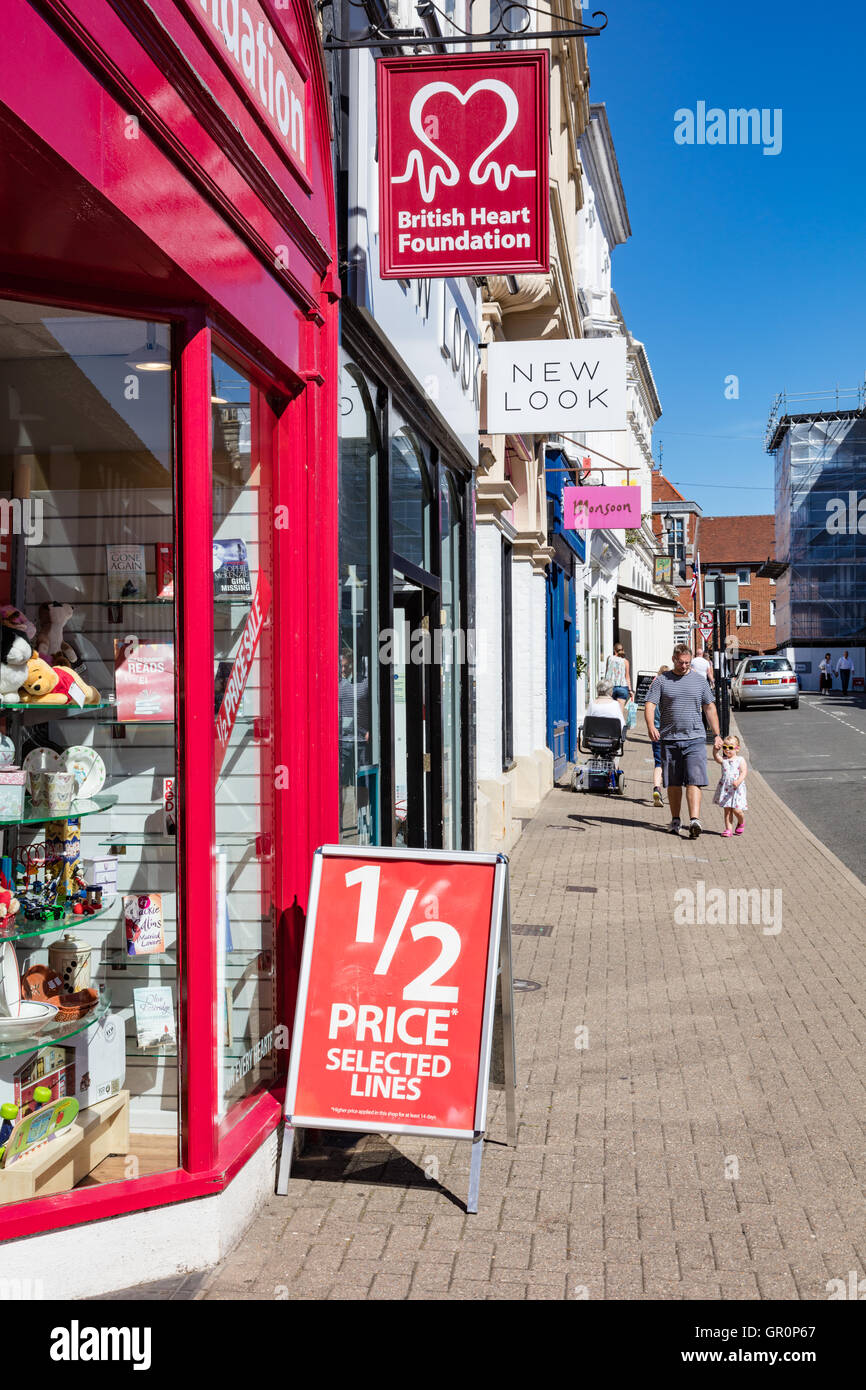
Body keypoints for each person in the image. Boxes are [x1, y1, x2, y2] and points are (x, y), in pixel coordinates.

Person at [644, 643, 722, 838]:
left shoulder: (699, 681)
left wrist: (717, 734)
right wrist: (651, 727)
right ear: (673, 659)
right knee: (673, 783)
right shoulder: (662, 681)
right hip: (670, 739)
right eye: (681, 662)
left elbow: (710, 708)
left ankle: (694, 820)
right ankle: (676, 819)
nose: (684, 666)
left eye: (687, 662)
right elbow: (650, 705)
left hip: (695, 738)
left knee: (694, 780)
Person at [712, 734, 748, 836]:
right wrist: (715, 750)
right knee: (727, 810)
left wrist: (738, 781)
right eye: (725, 747)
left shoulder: (740, 760)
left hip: (737, 789)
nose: (727, 750)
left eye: (730, 747)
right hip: (726, 788)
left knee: (737, 811)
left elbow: (744, 772)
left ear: (737, 748)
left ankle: (741, 822)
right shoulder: (724, 760)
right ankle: (728, 829)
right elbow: (716, 758)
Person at [651, 665, 670, 807]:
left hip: (656, 732)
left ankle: (656, 788)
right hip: (669, 733)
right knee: (670, 764)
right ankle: (671, 792)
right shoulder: (670, 693)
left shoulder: (654, 693)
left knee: (658, 763)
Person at [604, 643, 633, 714]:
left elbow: (606, 672)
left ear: (614, 650)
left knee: (610, 711)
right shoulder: (625, 661)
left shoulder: (609, 658)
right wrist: (630, 690)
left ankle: (611, 724)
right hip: (622, 687)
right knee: (620, 712)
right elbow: (627, 677)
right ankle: (620, 724)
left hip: (610, 687)